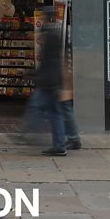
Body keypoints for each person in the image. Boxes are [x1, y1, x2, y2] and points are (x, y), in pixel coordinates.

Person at [31, 20, 69, 156]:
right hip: (53, 83)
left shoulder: (50, 40)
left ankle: (32, 135)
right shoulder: (54, 37)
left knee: (37, 107)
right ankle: (59, 144)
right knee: (55, 113)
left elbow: (48, 63)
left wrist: (39, 76)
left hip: (49, 84)